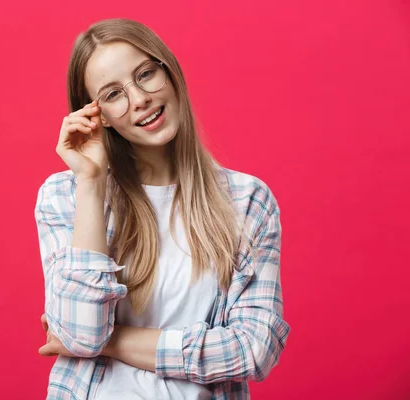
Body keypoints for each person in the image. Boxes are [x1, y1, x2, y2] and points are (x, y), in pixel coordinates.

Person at [34, 18, 290, 400]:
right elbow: (82, 331)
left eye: (145, 75)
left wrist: (111, 341)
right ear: (97, 114)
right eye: (113, 94)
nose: (139, 99)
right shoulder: (65, 195)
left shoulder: (247, 201)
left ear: (169, 72)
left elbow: (254, 349)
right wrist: (91, 182)